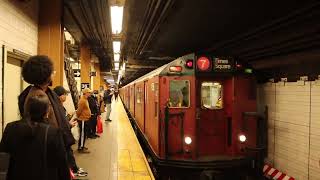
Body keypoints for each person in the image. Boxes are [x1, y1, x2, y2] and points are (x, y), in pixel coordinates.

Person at [0, 95, 70, 180]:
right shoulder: (53, 132)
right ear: (46, 112)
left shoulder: (11, 127)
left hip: (16, 175)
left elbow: (3, 154)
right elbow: (62, 163)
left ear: (26, 109)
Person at [18, 55, 75, 152]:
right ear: (45, 75)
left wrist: (67, 124)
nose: (54, 73)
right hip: (47, 148)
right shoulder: (37, 97)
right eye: (52, 72)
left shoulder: (46, 92)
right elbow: (42, 125)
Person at [53, 86, 88, 177]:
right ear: (60, 96)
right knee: (67, 152)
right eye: (65, 94)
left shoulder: (59, 105)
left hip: (63, 133)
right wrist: (69, 124)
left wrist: (68, 123)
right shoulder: (56, 106)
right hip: (61, 134)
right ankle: (73, 170)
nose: (66, 96)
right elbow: (58, 122)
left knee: (68, 152)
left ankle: (73, 168)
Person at [76, 88, 92, 153]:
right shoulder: (82, 100)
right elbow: (79, 111)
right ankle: (80, 148)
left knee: (84, 134)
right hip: (82, 120)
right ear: (86, 93)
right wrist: (79, 117)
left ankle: (82, 145)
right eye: (89, 92)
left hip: (85, 119)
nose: (90, 94)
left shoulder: (85, 99)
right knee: (82, 134)